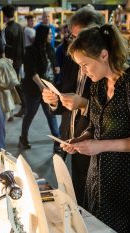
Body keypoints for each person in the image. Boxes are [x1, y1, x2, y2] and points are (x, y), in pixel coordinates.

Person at [62, 24, 130, 233]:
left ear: (104, 55)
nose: (83, 71)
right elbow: (95, 127)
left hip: (127, 181)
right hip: (98, 177)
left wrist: (101, 145)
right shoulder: (98, 86)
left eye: (85, 64)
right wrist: (82, 139)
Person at [42, 5, 101, 207]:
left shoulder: (106, 66)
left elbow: (111, 110)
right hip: (71, 136)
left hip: (95, 141)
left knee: (93, 200)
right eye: (74, 37)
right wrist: (54, 100)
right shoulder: (71, 59)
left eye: (82, 36)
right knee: (76, 195)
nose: (77, 43)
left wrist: (83, 104)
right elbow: (64, 92)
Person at [19, 25, 60, 152]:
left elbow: (54, 64)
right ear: (43, 35)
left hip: (49, 88)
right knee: (30, 114)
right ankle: (23, 138)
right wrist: (42, 88)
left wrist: (56, 69)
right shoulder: (31, 51)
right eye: (49, 34)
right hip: (34, 90)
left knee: (51, 115)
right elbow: (32, 72)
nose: (51, 36)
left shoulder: (50, 48)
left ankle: (57, 142)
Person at [2, 4, 26, 118]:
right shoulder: (20, 27)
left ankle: (23, 106)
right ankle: (21, 107)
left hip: (10, 61)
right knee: (16, 84)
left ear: (5, 16)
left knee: (13, 84)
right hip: (20, 60)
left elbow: (6, 48)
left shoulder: (7, 29)